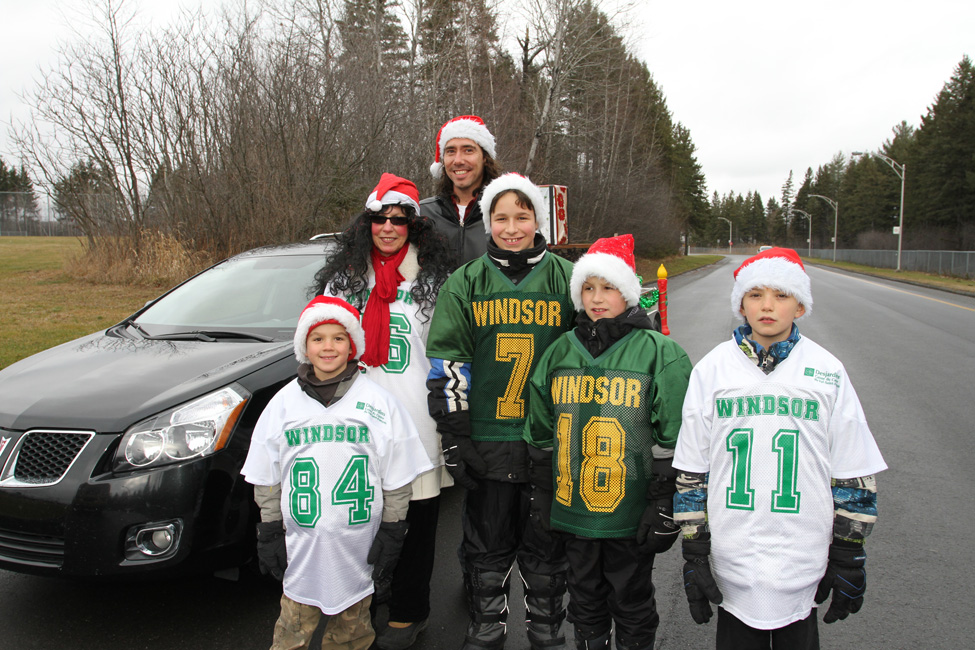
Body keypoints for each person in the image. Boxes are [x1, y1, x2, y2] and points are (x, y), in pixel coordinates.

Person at [672, 247, 888, 650]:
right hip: (733, 558)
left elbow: (853, 472)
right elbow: (691, 472)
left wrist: (849, 550)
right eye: (755, 295)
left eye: (781, 295)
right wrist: (694, 546)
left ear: (801, 306)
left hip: (802, 558)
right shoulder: (712, 369)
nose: (767, 306)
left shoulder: (827, 371)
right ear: (740, 303)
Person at [425, 173, 575, 650]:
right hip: (489, 435)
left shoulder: (567, 279)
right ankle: (485, 629)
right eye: (501, 218)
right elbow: (449, 362)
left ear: (538, 220)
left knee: (547, 543)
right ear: (488, 221)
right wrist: (455, 432)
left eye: (522, 216)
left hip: (549, 437)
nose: (512, 228)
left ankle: (546, 632)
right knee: (486, 544)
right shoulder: (465, 283)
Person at [524, 234, 692, 650]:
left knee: (631, 599)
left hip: (629, 513)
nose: (597, 298)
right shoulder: (560, 351)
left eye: (609, 287)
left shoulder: (659, 352)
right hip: (574, 509)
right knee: (583, 598)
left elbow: (676, 438)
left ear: (629, 292)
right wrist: (543, 492)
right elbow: (543, 429)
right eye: (588, 287)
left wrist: (663, 501)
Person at [313, 173, 456, 650]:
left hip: (416, 420)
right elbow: (323, 346)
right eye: (380, 219)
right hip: (356, 424)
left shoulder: (435, 280)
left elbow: (452, 351)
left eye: (399, 220)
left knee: (416, 524)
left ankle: (410, 611)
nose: (389, 227)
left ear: (414, 226)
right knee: (362, 521)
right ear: (367, 223)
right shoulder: (346, 278)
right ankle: (363, 601)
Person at [242, 295, 434, 650]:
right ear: (304, 345)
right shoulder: (282, 405)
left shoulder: (378, 403)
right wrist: (269, 529)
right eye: (318, 338)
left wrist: (393, 529)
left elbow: (397, 478)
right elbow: (266, 476)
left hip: (357, 550)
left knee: (352, 636)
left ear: (353, 346)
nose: (328, 347)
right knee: (290, 635)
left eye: (338, 338)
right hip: (302, 548)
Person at [421, 114, 504, 266]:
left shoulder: (505, 212)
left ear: (485, 157)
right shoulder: (422, 214)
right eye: (451, 151)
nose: (458, 160)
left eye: (468, 150)